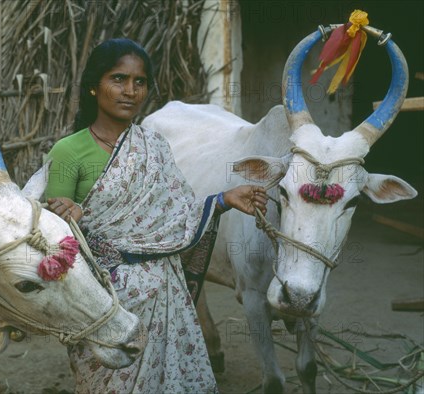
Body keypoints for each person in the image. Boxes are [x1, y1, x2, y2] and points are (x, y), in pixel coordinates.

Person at [44, 38, 267, 393]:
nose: (130, 91)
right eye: (118, 79)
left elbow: (176, 217)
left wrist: (223, 200)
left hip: (166, 298)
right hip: (103, 305)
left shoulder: (155, 147)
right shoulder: (69, 151)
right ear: (92, 85)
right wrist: (68, 215)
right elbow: (51, 239)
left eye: (139, 82)